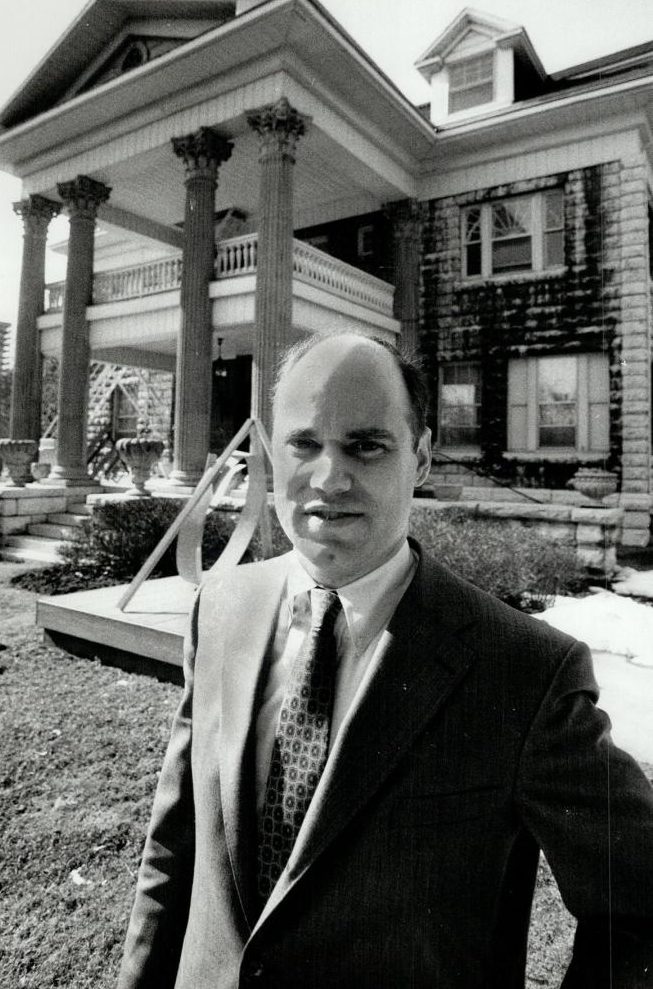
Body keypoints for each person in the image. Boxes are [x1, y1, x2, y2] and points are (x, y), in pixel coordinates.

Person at [118, 331, 653, 989]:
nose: (328, 478)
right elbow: (174, 848)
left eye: (365, 446)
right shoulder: (221, 609)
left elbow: (638, 906)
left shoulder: (523, 671)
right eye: (304, 444)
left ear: (421, 457)